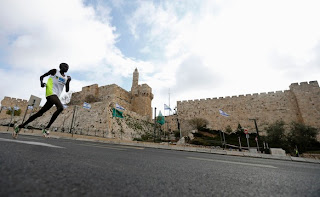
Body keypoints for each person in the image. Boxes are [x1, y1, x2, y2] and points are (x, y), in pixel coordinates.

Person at [13, 63, 71, 138]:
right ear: (60, 67)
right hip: (50, 93)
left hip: (56, 96)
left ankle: (20, 126)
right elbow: (41, 77)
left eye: (68, 67)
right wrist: (42, 83)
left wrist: (68, 82)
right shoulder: (54, 71)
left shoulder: (67, 77)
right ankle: (47, 128)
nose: (67, 68)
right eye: (65, 66)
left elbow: (67, 90)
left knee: (39, 113)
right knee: (60, 107)